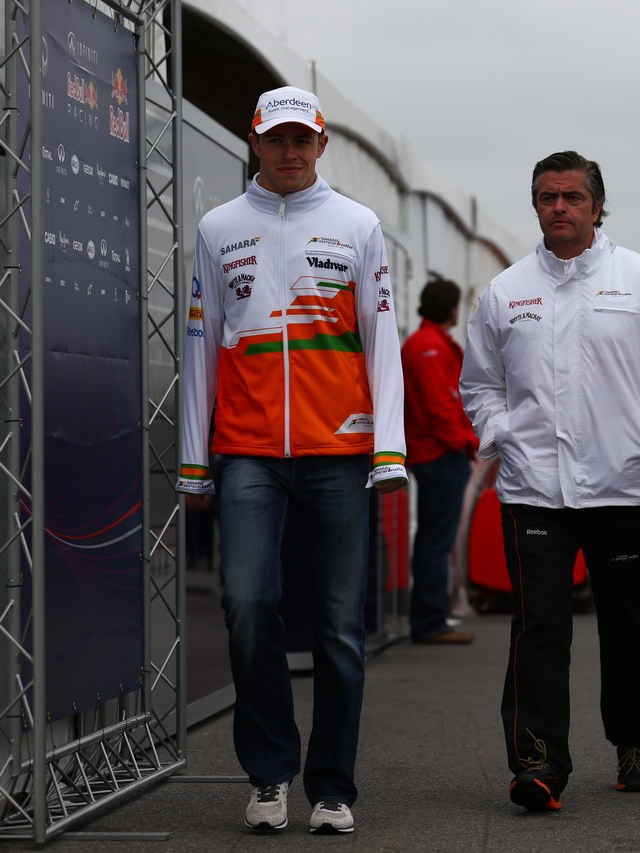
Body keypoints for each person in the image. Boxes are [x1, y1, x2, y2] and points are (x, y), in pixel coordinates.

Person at [178, 86, 406, 834]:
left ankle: (333, 785)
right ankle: (269, 772)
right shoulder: (217, 228)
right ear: (254, 141)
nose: (288, 151)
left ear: (321, 144)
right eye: (275, 138)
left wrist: (389, 448)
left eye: (301, 139)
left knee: (341, 623)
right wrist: (193, 459)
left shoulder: (358, 224)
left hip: (340, 448)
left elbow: (381, 338)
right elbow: (200, 346)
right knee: (247, 604)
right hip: (247, 451)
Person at [460, 151, 640, 812]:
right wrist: (503, 431)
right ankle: (538, 761)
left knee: (627, 626)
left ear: (598, 206)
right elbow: (478, 384)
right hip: (533, 490)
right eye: (548, 197)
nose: (560, 208)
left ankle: (633, 742)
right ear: (536, 206)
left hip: (622, 488)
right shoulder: (507, 290)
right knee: (538, 626)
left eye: (573, 197)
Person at [402, 275, 479, 645]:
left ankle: (430, 616)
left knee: (434, 538)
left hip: (432, 452)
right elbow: (441, 404)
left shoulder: (423, 343)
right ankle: (430, 621)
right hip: (440, 453)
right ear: (451, 308)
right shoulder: (429, 346)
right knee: (437, 539)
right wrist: (463, 441)